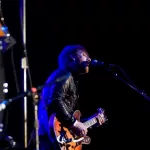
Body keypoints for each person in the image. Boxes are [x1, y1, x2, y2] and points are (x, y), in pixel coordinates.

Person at [38, 45, 105, 150]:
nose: (89, 59)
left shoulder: (69, 77)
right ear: (72, 57)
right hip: (50, 139)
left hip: (53, 138)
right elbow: (55, 100)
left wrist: (91, 121)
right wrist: (74, 122)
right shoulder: (65, 74)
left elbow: (66, 116)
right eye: (84, 55)